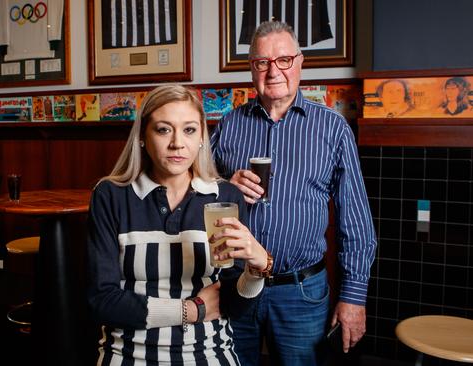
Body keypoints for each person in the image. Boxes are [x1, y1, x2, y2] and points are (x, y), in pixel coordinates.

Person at [210, 21, 377, 366]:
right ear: (251, 69)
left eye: (284, 60)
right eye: (262, 62)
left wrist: (354, 297)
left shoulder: (332, 128)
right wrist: (224, 185)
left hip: (301, 292)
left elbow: (356, 221)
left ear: (300, 63)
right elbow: (194, 193)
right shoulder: (228, 125)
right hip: (236, 285)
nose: (274, 71)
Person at [87, 84, 272, 365]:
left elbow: (233, 305)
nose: (177, 143)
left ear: (201, 138)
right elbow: (103, 300)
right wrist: (190, 310)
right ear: (142, 137)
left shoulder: (226, 197)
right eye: (163, 129)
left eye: (189, 130)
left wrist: (258, 269)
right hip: (128, 353)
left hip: (209, 351)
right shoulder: (110, 195)